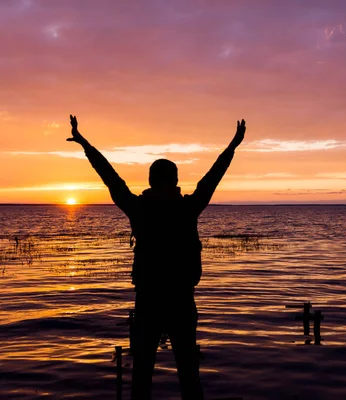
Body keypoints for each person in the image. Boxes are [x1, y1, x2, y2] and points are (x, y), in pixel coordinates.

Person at [67, 114, 246, 399]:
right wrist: (233, 145)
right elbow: (213, 176)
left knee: (143, 378)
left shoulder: (140, 208)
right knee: (188, 376)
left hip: (152, 300)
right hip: (178, 300)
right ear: (175, 180)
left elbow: (110, 177)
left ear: (151, 181)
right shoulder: (187, 208)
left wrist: (84, 143)